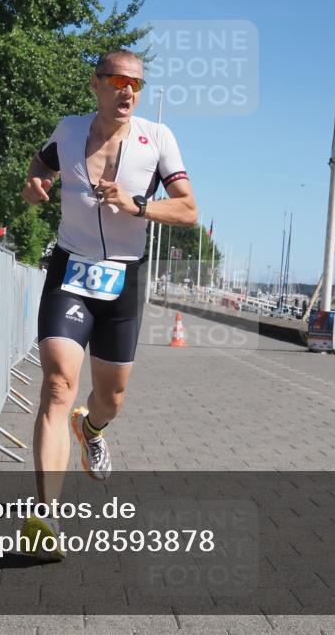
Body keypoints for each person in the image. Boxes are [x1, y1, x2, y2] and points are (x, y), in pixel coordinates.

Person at [20, 49, 197, 558]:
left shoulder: (157, 139)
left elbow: (188, 210)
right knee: (56, 383)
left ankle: (89, 427)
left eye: (136, 84)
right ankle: (45, 518)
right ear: (96, 83)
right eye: (118, 80)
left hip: (124, 276)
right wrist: (36, 185)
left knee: (110, 398)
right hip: (70, 269)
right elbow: (41, 164)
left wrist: (136, 204)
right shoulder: (69, 129)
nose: (128, 91)